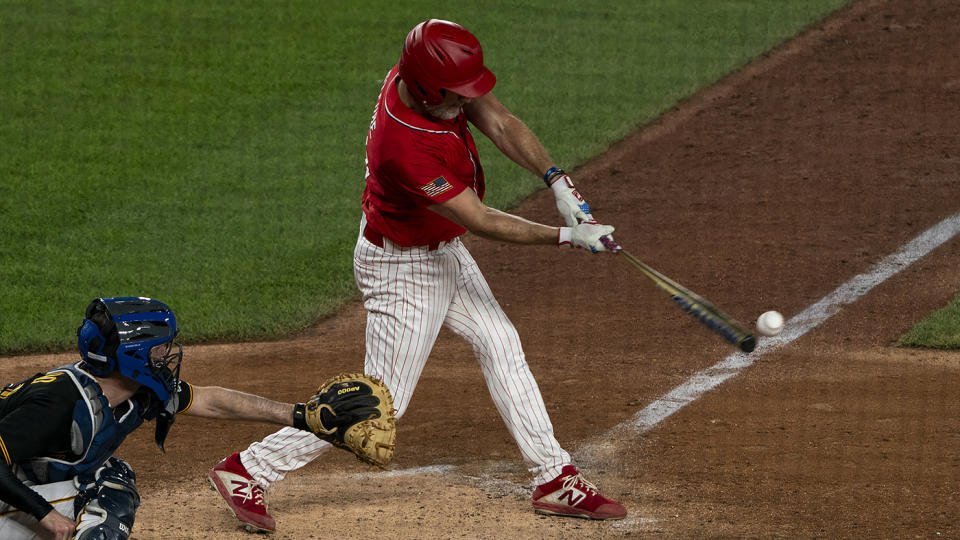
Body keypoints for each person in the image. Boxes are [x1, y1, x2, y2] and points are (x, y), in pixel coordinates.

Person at [208, 18, 626, 531]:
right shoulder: (402, 147)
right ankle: (248, 468)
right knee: (377, 405)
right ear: (428, 88)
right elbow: (480, 219)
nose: (464, 103)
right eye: (454, 96)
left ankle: (553, 477)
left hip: (437, 248)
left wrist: (558, 181)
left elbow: (499, 121)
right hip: (402, 268)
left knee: (500, 343)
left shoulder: (426, 81)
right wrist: (567, 236)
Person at [0, 297, 367, 539]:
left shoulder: (132, 392)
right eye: (159, 348)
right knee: (107, 486)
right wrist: (45, 514)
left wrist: (300, 416)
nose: (167, 354)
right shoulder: (61, 402)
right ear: (132, 355)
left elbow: (213, 401)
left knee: (111, 477)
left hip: (16, 487)